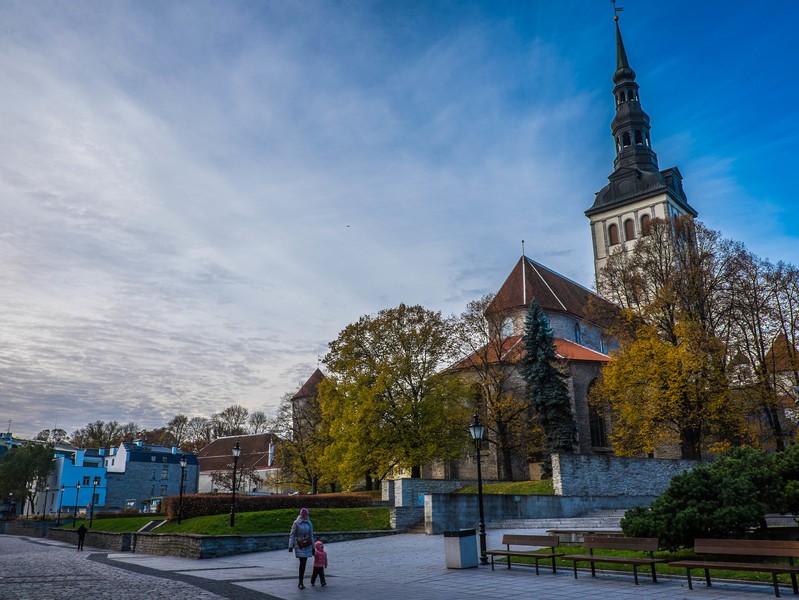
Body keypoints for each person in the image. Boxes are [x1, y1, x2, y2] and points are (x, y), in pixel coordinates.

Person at [288, 507, 314, 589]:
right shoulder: (296, 523)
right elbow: (292, 534)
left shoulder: (309, 523)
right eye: (306, 515)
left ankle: (301, 581)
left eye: (307, 514)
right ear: (302, 515)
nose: (307, 516)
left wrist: (313, 547)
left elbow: (311, 535)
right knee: (302, 562)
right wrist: (290, 546)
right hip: (299, 544)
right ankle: (300, 581)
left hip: (307, 544)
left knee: (304, 562)